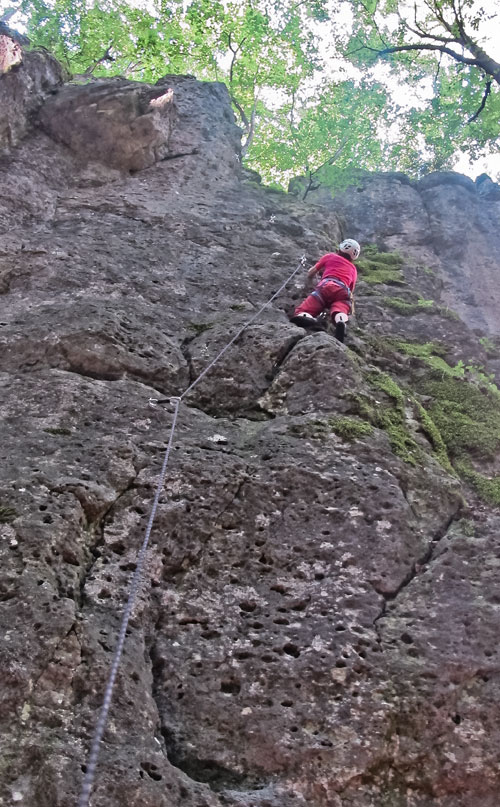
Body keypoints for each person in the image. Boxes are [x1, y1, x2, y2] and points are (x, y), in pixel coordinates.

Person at [290, 239, 360, 343]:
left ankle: (305, 316)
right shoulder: (353, 269)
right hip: (343, 290)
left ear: (341, 247)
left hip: (326, 285)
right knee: (340, 307)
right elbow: (351, 289)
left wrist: (311, 275)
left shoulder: (330, 256)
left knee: (311, 305)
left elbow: (311, 272)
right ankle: (340, 320)